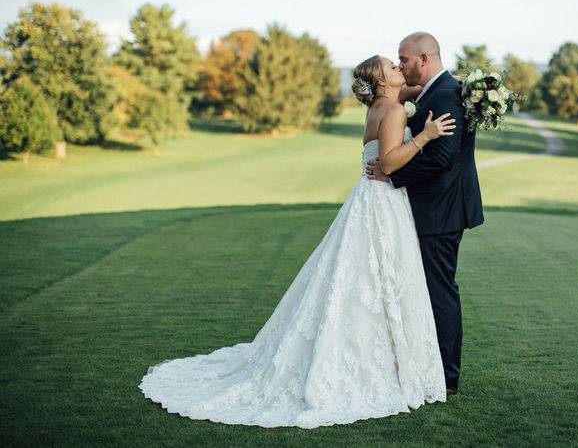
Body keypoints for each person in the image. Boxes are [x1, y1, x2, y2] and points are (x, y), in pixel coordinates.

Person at [138, 54, 457, 429]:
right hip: (383, 200)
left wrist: (472, 90)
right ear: (382, 81)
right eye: (392, 66)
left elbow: (429, 82)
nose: (399, 68)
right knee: (375, 276)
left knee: (363, 278)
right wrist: (425, 136)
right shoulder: (394, 111)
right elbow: (387, 164)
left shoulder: (379, 106)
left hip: (369, 199)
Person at [367, 32, 484, 395]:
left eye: (403, 58)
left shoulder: (446, 93)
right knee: (423, 289)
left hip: (441, 210)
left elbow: (442, 157)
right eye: (395, 62)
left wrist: (392, 173)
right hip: (432, 206)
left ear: (423, 59)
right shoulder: (436, 89)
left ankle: (447, 379)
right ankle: (420, 364)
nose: (399, 64)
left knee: (439, 292)